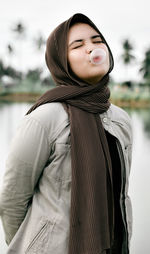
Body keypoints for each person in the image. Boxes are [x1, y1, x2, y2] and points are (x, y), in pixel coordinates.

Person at [0, 13, 133, 254]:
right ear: (61, 60)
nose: (92, 49)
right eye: (78, 45)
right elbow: (12, 200)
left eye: (97, 40)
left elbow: (121, 194)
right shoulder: (44, 119)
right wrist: (32, 245)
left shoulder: (121, 120)